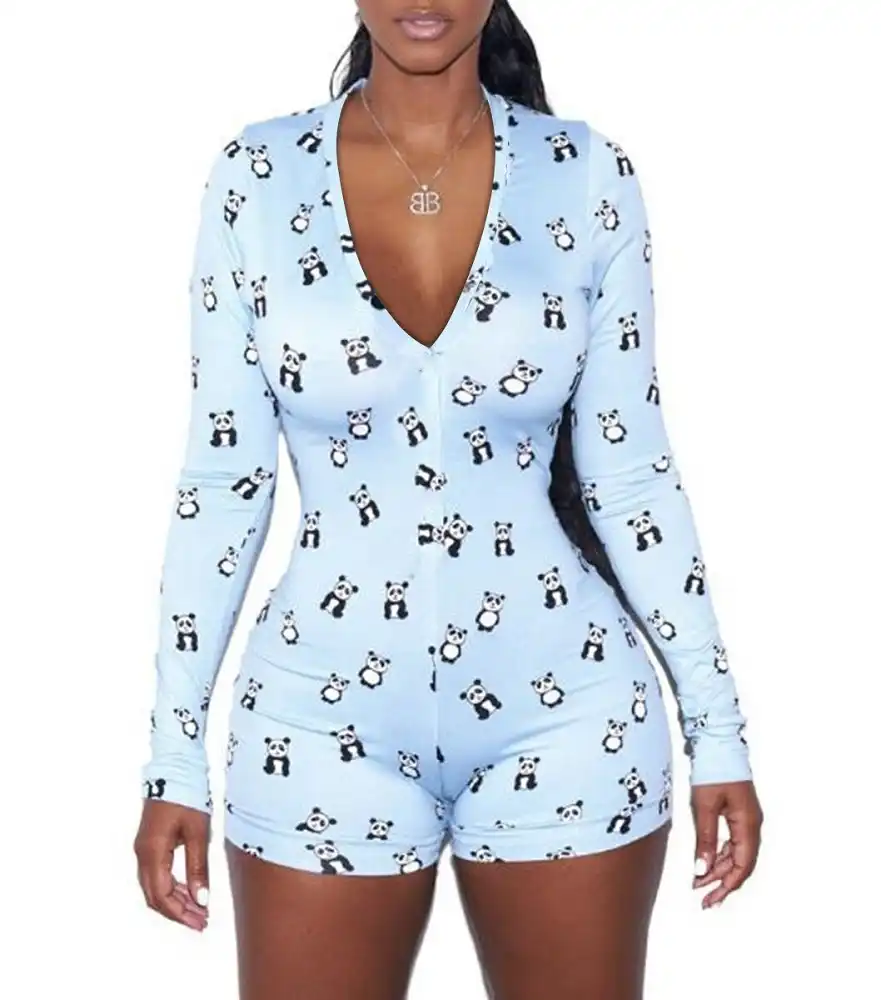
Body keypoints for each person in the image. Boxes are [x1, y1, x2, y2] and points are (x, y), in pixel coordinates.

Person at [134, 1, 764, 997]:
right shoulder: (256, 178)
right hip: (314, 723)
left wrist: (715, 728)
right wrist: (173, 752)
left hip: (568, 718)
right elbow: (224, 482)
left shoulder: (584, 175)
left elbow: (629, 471)